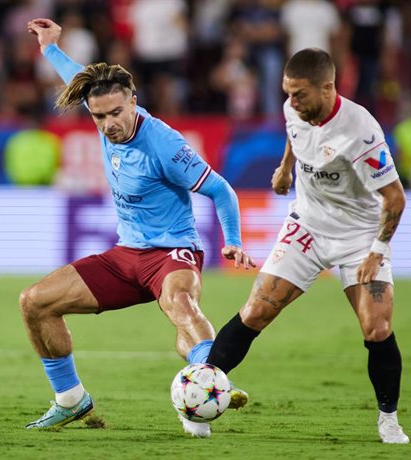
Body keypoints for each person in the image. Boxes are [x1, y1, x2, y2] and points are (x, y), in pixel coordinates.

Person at [21, 18, 255, 438]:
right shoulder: (102, 108)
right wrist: (50, 48)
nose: (109, 124)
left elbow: (222, 191)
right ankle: (70, 400)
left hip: (172, 253)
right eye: (99, 117)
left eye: (116, 113)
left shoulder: (165, 145)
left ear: (134, 101)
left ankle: (214, 384)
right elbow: (80, 80)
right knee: (35, 302)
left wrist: (233, 242)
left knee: (182, 307)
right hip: (125, 254)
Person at [206, 48, 410, 444]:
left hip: (358, 237)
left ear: (328, 87)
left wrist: (378, 251)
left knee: (377, 328)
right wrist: (285, 167)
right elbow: (294, 132)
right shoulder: (293, 109)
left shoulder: (360, 132)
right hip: (308, 227)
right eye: (288, 92)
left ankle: (388, 420)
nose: (291, 102)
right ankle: (199, 394)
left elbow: (395, 198)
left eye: (299, 94)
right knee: (255, 311)